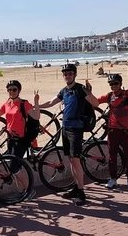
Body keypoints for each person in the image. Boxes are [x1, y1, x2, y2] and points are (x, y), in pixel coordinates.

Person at [39, 63, 99, 205]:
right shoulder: (64, 91)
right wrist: (36, 105)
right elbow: (51, 102)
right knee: (71, 160)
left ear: (75, 74)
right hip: (65, 128)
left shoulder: (80, 89)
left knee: (76, 160)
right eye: (65, 74)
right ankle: (76, 188)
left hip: (76, 129)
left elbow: (95, 104)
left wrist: (89, 92)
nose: (67, 76)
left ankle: (81, 192)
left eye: (70, 73)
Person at [0, 80, 40, 198]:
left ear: (19, 90)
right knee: (15, 166)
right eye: (9, 90)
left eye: (14, 89)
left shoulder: (24, 104)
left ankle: (29, 191)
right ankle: (22, 191)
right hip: (11, 138)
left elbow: (37, 116)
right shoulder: (7, 103)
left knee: (14, 167)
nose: (11, 92)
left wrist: (36, 102)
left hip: (22, 139)